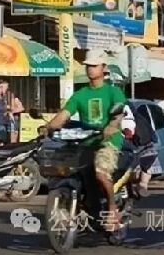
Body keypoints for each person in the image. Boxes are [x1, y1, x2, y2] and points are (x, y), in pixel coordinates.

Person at [44, 49, 126, 230]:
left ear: (104, 68)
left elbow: (118, 113)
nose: (90, 69)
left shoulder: (113, 92)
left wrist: (111, 126)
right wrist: (48, 126)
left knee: (100, 172)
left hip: (107, 143)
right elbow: (64, 115)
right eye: (88, 66)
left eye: (94, 66)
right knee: (63, 170)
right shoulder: (80, 94)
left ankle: (112, 209)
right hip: (84, 144)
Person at [120, 104, 157, 197]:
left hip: (136, 145)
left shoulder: (125, 117)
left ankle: (139, 186)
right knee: (147, 167)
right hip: (147, 145)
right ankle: (143, 185)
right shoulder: (141, 118)